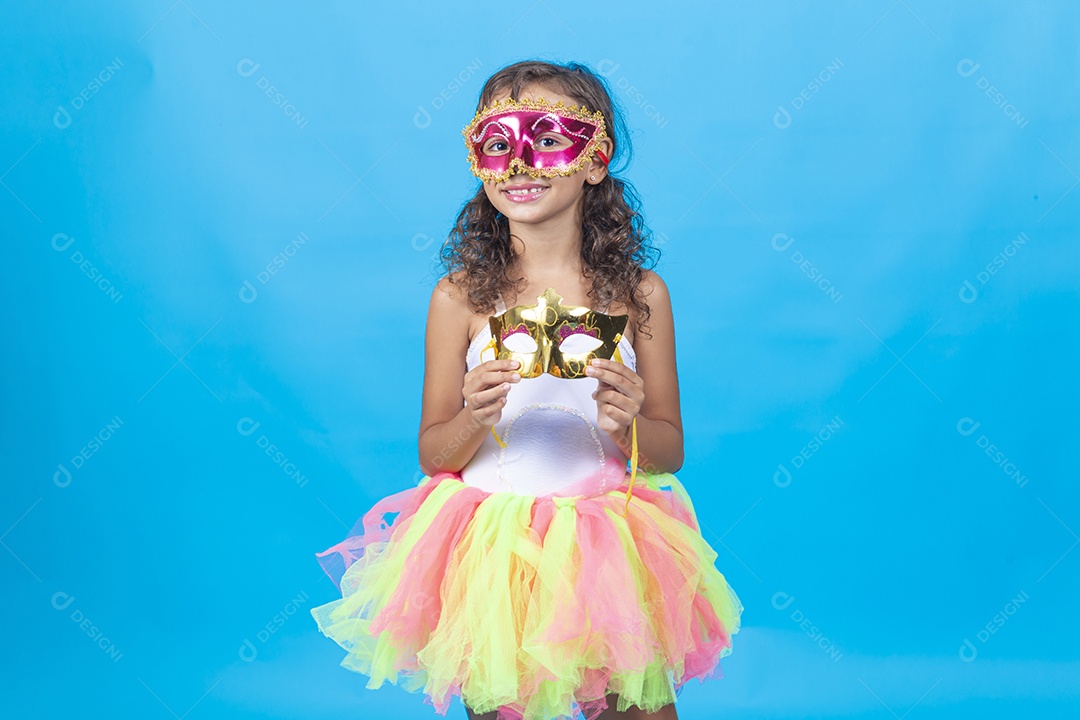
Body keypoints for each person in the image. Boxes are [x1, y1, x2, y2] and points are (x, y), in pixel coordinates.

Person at [310, 59, 743, 720]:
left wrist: (625, 422)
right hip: (495, 551)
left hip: (610, 546)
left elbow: (668, 451)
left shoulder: (639, 296)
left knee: (639, 707)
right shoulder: (459, 299)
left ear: (593, 161)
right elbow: (435, 454)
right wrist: (476, 415)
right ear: (480, 162)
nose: (519, 163)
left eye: (545, 138)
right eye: (498, 143)